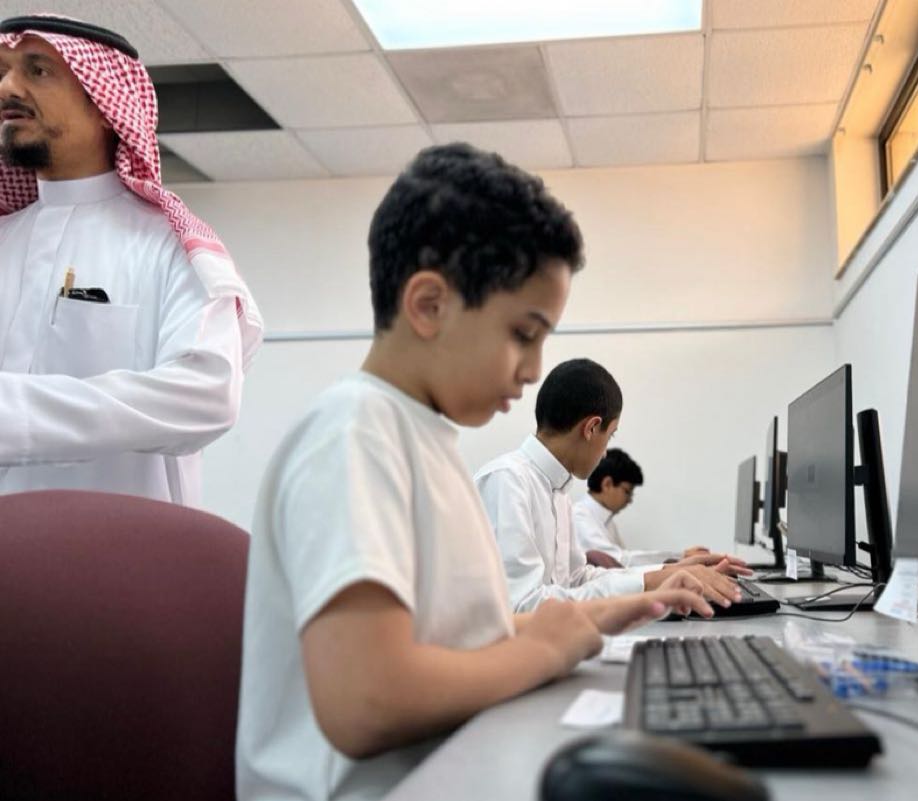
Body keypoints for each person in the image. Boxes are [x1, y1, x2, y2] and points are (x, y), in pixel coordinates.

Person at [236, 143, 711, 801]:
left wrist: (608, 613)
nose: (534, 369)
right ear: (430, 305)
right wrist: (544, 651)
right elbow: (366, 702)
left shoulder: (422, 440)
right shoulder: (354, 434)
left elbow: (462, 637)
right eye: (523, 333)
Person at [0, 15, 261, 506]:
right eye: (3, 71)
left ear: (106, 106)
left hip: (120, 550)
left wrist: (16, 414)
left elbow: (206, 395)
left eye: (38, 70)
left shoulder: (169, 245)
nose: (7, 87)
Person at [476, 358, 751, 613]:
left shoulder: (557, 491)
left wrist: (667, 573)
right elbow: (522, 606)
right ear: (591, 428)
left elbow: (577, 579)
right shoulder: (507, 481)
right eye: (610, 435)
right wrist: (654, 580)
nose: (605, 451)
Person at [574, 448, 716, 568]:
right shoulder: (580, 517)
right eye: (627, 491)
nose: (630, 500)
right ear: (607, 484)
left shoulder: (607, 521)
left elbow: (624, 566)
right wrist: (680, 556)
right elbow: (620, 561)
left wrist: (679, 559)